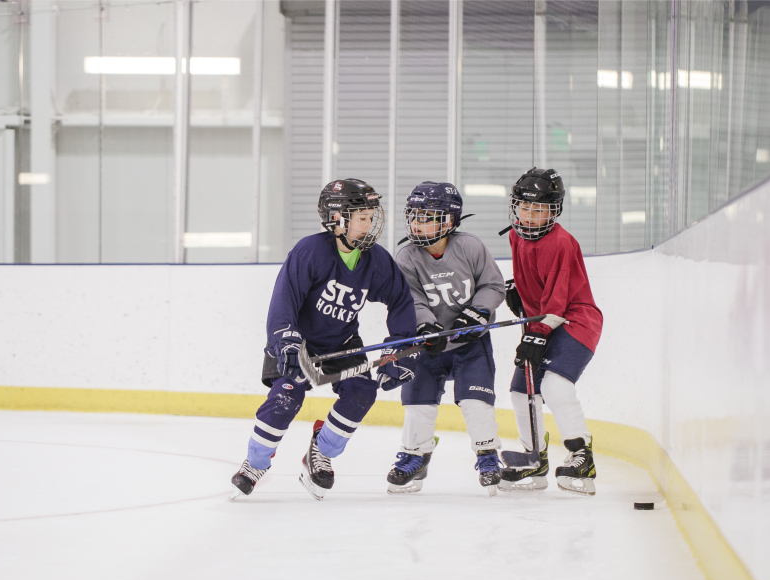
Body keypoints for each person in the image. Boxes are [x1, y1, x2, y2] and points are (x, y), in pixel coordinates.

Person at [230, 178, 418, 501]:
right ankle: (255, 463)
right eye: (362, 218)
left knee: (362, 392)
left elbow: (401, 299)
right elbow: (282, 303)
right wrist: (285, 341)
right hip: (297, 343)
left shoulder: (375, 260)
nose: (370, 225)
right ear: (337, 219)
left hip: (342, 342)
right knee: (285, 397)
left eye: (371, 217)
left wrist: (399, 347)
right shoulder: (310, 252)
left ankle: (320, 450)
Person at [386, 182, 507, 496]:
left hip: (471, 343)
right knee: (417, 405)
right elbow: (410, 300)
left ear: (449, 221)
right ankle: (415, 454)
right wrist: (425, 328)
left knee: (476, 402)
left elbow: (493, 286)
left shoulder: (470, 247)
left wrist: (478, 312)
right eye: (413, 215)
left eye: (425, 216)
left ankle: (488, 454)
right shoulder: (407, 256)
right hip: (429, 347)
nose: (416, 223)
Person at [499, 168, 604, 495]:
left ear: (553, 211)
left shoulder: (561, 242)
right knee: (520, 392)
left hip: (575, 321)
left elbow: (557, 299)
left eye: (538, 210)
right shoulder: (516, 236)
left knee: (555, 386)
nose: (529, 216)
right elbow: (537, 287)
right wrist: (520, 293)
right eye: (524, 208)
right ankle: (534, 458)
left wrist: (537, 331)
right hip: (542, 324)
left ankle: (581, 455)